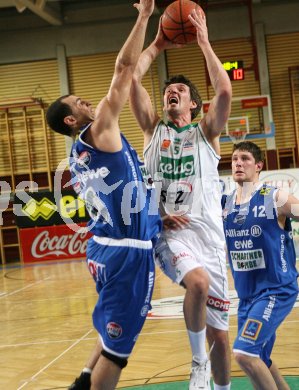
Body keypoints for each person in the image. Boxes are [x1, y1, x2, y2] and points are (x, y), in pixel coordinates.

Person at [46, 1, 161, 389]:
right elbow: (124, 71)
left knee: (112, 322)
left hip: (103, 247)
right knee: (118, 351)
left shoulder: (78, 153)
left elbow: (132, 74)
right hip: (126, 252)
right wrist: (144, 17)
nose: (88, 102)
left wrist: (158, 45)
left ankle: (82, 378)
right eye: (79, 103)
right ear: (71, 120)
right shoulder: (99, 133)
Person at [129, 8, 232, 390]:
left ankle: (217, 385)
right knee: (199, 284)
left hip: (211, 237)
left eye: (181, 90)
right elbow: (130, 77)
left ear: (194, 105)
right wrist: (156, 42)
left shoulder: (206, 132)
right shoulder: (152, 129)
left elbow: (224, 90)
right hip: (171, 233)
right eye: (168, 90)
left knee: (221, 338)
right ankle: (196, 363)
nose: (172, 91)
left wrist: (204, 41)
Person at [222, 141, 299, 390]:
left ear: (258, 166)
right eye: (234, 159)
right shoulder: (225, 204)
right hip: (247, 297)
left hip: (275, 290)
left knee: (244, 353)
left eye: (245, 159)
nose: (238, 163)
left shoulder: (273, 197)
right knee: (261, 360)